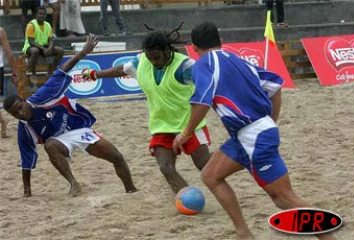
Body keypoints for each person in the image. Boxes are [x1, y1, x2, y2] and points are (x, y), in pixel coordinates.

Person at [173, 22, 335, 240]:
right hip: (247, 134)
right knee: (211, 176)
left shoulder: (203, 64)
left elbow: (202, 102)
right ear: (221, 41)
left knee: (284, 198)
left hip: (253, 135)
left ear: (193, 47)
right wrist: (271, 122)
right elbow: (275, 86)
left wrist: (186, 133)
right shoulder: (238, 60)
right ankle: (244, 233)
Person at [3, 33, 138, 198]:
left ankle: (131, 190)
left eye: (19, 108)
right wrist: (27, 192)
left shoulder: (41, 97)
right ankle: (74, 183)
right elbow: (26, 161)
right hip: (60, 142)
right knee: (50, 144)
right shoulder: (24, 130)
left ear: (24, 101)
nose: (20, 113)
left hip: (78, 129)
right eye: (14, 114)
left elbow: (61, 71)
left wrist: (83, 53)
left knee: (117, 157)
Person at [82, 29, 211, 194]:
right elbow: (122, 69)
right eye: (150, 58)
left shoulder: (185, 66)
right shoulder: (142, 60)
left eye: (157, 57)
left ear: (166, 50)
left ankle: (232, 157)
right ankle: (187, 198)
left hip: (190, 124)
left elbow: (208, 84)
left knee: (204, 166)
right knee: (165, 168)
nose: (153, 62)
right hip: (162, 125)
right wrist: (95, 74)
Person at [22, 6, 64, 83]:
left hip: (44, 46)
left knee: (60, 50)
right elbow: (31, 41)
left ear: (45, 15)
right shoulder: (31, 25)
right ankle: (33, 73)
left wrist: (50, 48)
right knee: (35, 51)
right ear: (36, 15)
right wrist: (43, 49)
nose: (41, 15)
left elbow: (51, 40)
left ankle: (50, 72)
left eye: (43, 14)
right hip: (31, 46)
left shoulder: (48, 25)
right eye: (40, 13)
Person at [0, 27, 19, 138]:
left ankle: (2, 121)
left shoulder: (1, 32)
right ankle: (2, 121)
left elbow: (9, 54)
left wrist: (15, 73)